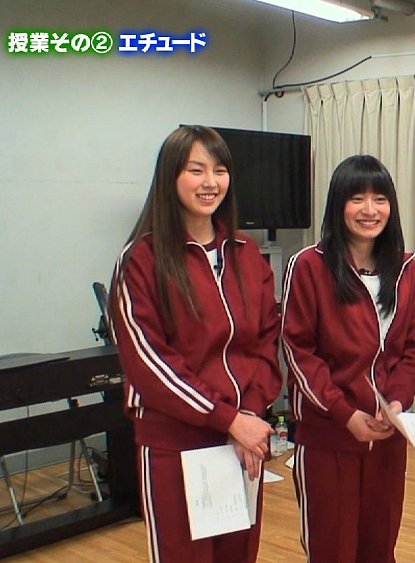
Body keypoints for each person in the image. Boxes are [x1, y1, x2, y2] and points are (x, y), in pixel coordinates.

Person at [109, 125, 282, 563]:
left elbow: (267, 341)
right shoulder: (141, 260)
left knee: (238, 555)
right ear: (170, 177)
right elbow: (150, 363)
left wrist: (249, 415)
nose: (210, 182)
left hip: (242, 440)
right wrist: (227, 418)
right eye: (196, 170)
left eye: (220, 170)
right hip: (177, 444)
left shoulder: (246, 252)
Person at [281, 154, 415, 562]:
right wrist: (345, 413)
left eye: (380, 199)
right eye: (357, 199)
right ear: (338, 205)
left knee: (379, 548)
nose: (369, 210)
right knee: (332, 550)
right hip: (329, 436)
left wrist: (396, 403)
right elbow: (299, 353)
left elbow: (414, 348)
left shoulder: (406, 270)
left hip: (386, 436)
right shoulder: (308, 266)